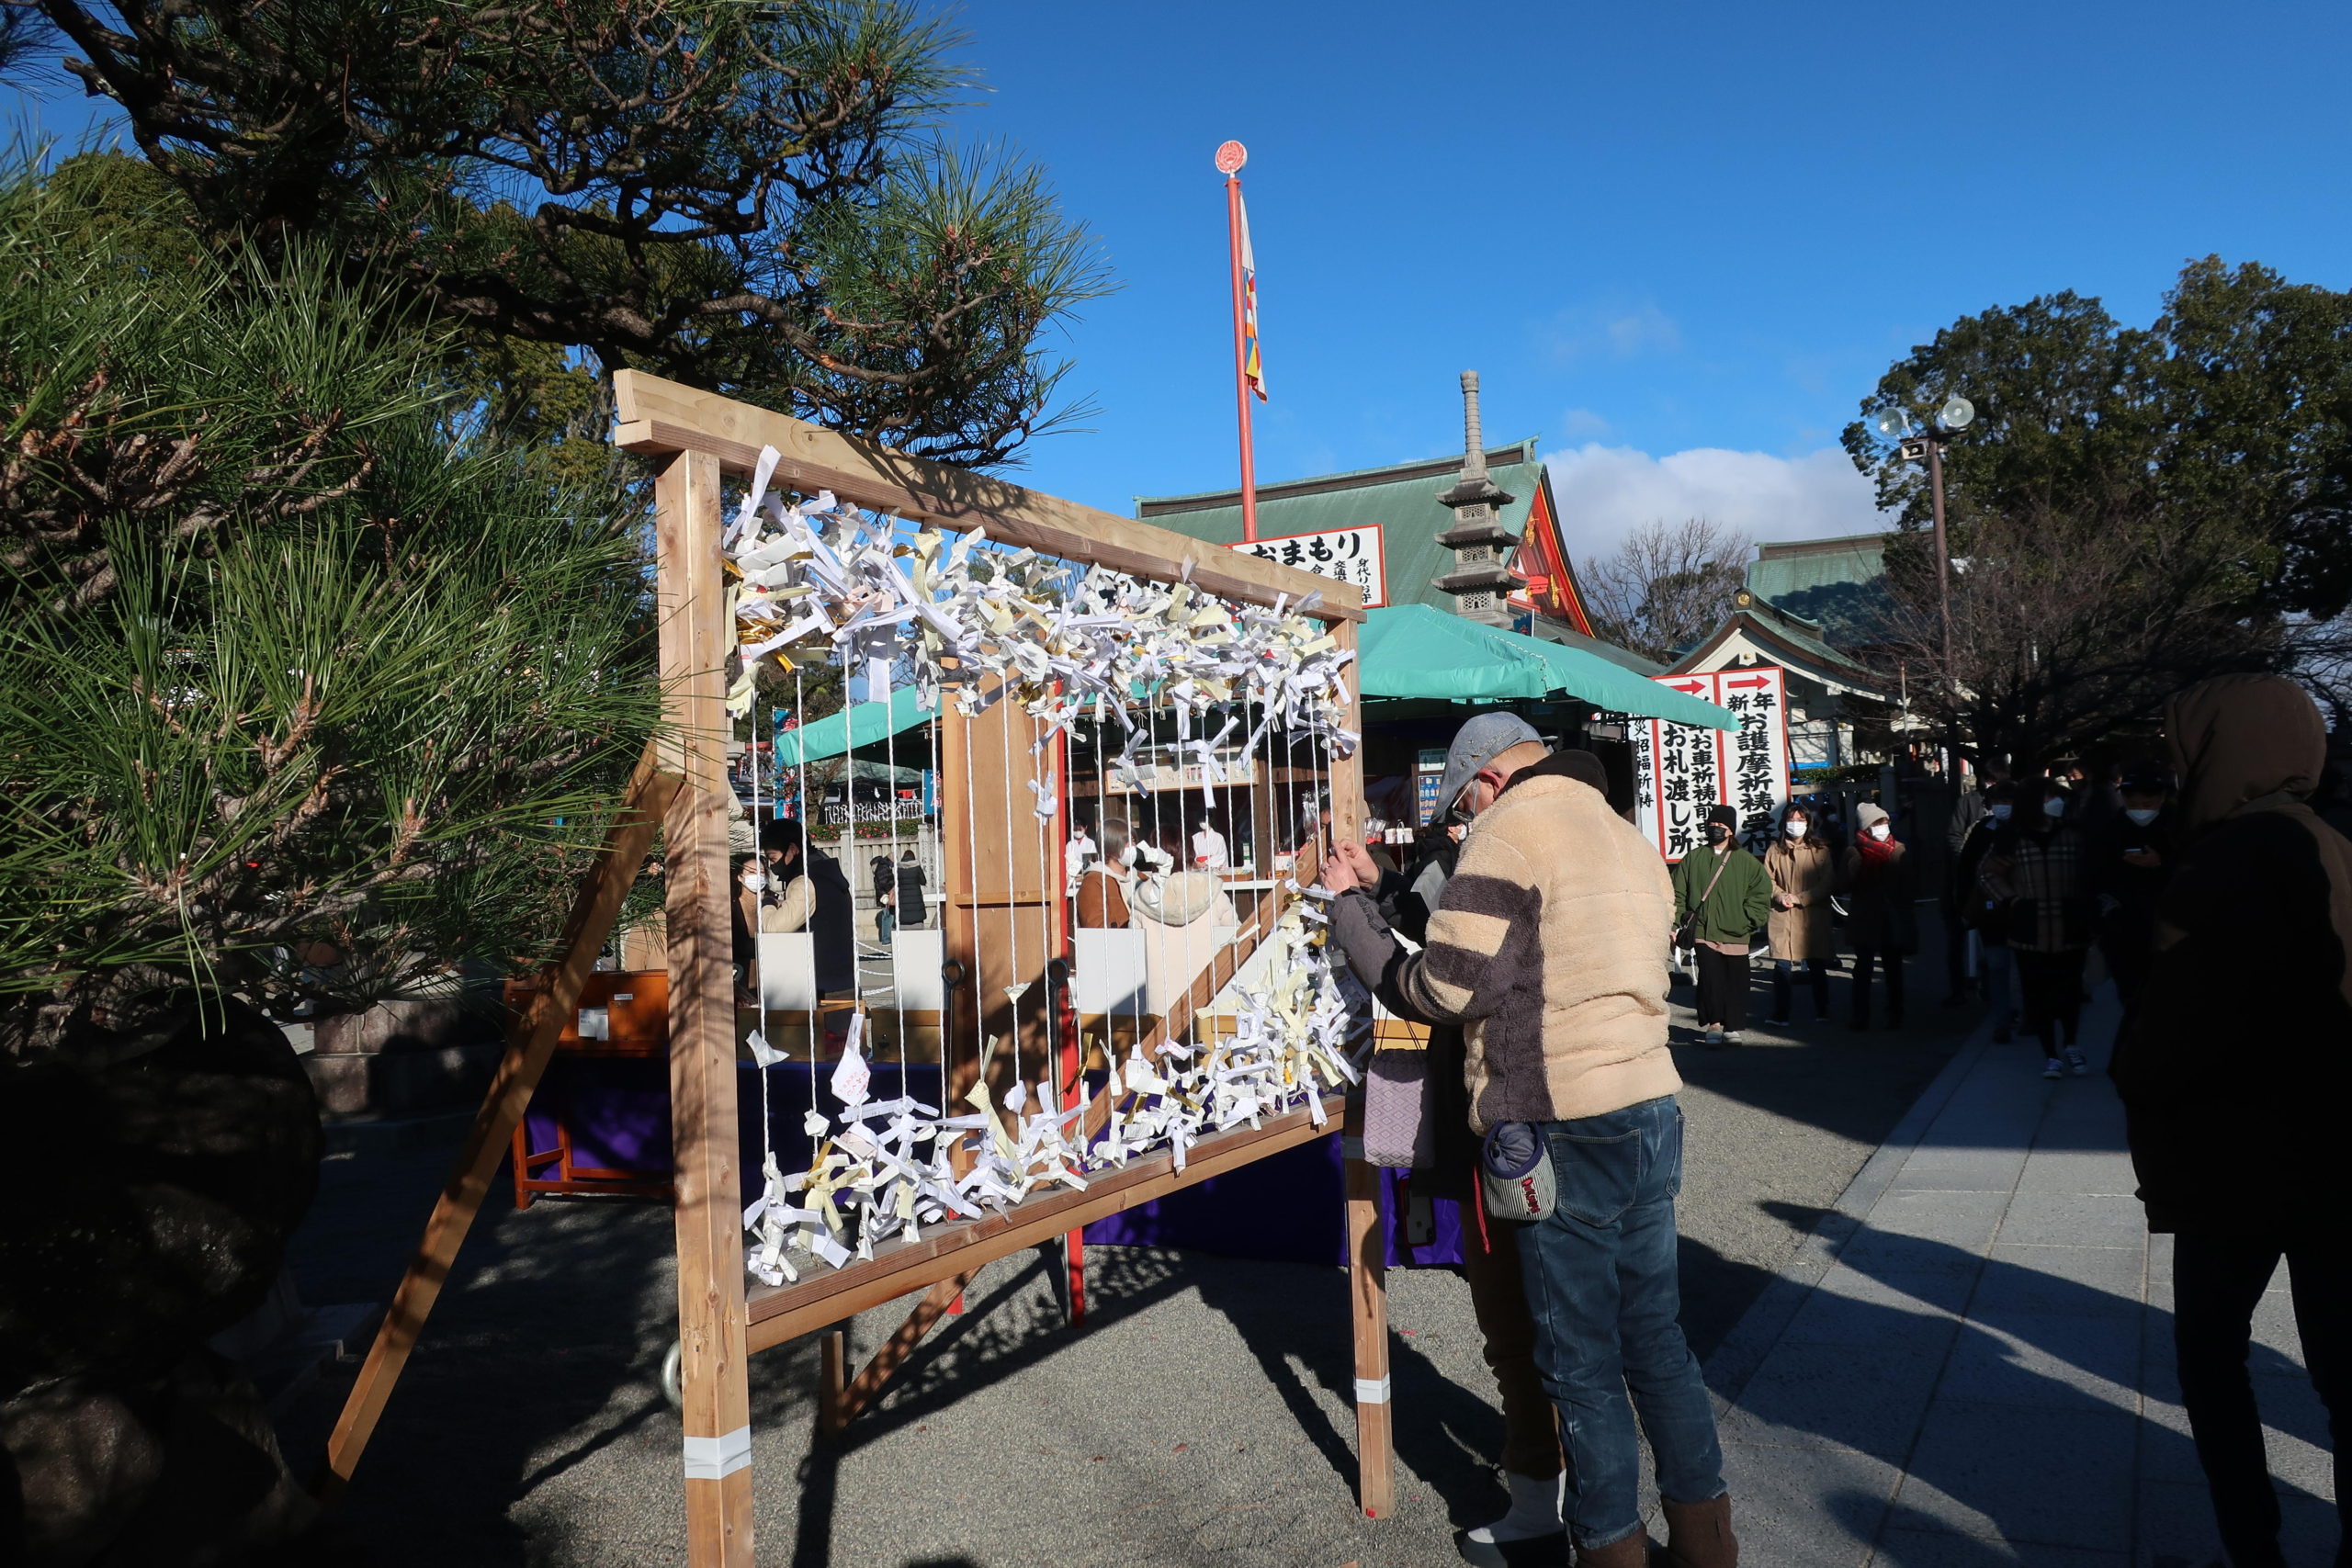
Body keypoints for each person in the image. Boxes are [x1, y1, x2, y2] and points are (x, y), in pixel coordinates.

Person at [1319, 709, 1736, 1568]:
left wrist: (1352, 919)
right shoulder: (1622, 832)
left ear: (1489, 780)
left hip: (1558, 1118)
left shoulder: (1508, 832)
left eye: (1462, 805)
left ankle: (1609, 1548)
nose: (1462, 823)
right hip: (1650, 1104)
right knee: (1658, 1342)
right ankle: (1708, 1544)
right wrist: (1388, 885)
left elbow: (1444, 986)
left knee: (1579, 1362)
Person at [2109, 674, 2352, 1568]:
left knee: (2212, 1361)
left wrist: (2129, 1063)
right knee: (2342, 1374)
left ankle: (2253, 1547)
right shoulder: (2335, 844)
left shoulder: (2223, 864)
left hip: (2233, 1164)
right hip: (2338, 1156)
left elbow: (2175, 1033)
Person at [1980, 779, 2094, 1077]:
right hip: (2029, 928)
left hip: (2070, 924)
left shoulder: (2073, 833)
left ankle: (2071, 1043)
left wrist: (2086, 903)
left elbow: (2092, 871)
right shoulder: (2012, 836)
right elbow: (1988, 873)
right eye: (2048, 797)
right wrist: (2012, 900)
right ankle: (2050, 1055)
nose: (2055, 802)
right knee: (2037, 993)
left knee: (2070, 990)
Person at [1673, 803, 1772, 1047]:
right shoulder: (1694, 857)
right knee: (1710, 979)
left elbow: (1761, 895)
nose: (1715, 827)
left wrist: (1747, 920)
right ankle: (1714, 1024)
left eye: (1721, 824)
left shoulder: (1746, 861)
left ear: (1731, 830)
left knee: (1736, 981)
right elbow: (1677, 892)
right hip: (1704, 931)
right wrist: (1680, 919)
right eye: (1712, 823)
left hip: (1737, 933)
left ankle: (1732, 1026)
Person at [736, 817, 855, 999]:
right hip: (842, 980)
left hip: (822, 989)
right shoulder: (827, 873)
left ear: (792, 849)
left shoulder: (805, 882)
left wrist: (767, 903)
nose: (772, 866)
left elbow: (774, 929)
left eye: (773, 858)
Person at [2091, 763, 2173, 1020]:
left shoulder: (2177, 828)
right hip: (2122, 930)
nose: (2140, 809)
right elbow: (2093, 876)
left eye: (2147, 803)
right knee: (2131, 999)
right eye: (2133, 802)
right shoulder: (2111, 829)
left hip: (2168, 928)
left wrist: (2162, 863)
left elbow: (2196, 869)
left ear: (2162, 797)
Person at [1839, 801, 1917, 1031]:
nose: (1882, 827)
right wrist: (1854, 867)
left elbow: (1911, 886)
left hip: (1892, 917)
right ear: (1866, 827)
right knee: (1862, 969)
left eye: (1884, 822)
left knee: (1894, 969)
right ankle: (1860, 1015)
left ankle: (1895, 1012)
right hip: (1864, 917)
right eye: (1876, 823)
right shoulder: (1854, 852)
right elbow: (1842, 884)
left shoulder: (1899, 849)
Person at [1955, 782, 2021, 1041]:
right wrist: (1963, 905)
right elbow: (1966, 869)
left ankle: (2023, 1013)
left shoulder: (2025, 830)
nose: (2002, 807)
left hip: (2021, 907)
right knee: (1997, 965)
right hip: (1990, 909)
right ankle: (2001, 1019)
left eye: (2008, 801)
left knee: (2020, 968)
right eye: (1998, 802)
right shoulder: (1982, 830)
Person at [1762, 802, 1836, 1025]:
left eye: (1801, 820)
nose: (1796, 824)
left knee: (1816, 964)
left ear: (1808, 823)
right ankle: (1781, 1013)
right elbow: (1767, 880)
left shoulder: (1820, 849)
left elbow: (1827, 882)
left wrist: (1801, 898)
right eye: (1791, 819)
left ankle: (1822, 1010)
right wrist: (1780, 895)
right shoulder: (1774, 850)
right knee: (1782, 966)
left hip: (1812, 915)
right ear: (1784, 822)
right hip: (1783, 914)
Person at [894, 848, 928, 931]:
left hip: (903, 899)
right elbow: (923, 881)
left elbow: (896, 882)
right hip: (916, 898)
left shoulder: (899, 869)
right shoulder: (916, 867)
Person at [870, 853, 898, 945]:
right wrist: (892, 888)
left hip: (884, 896)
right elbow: (884, 883)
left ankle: (887, 938)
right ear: (891, 859)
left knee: (889, 916)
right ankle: (886, 939)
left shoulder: (883, 866)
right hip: (886, 896)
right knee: (888, 917)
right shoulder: (883, 868)